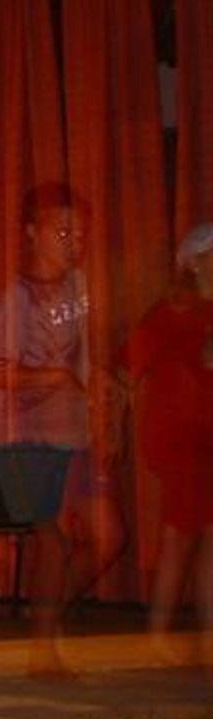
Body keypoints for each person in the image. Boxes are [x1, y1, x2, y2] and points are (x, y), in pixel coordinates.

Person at [0, 183, 126, 676]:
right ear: (32, 233)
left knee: (110, 537)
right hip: (28, 436)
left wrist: (102, 401)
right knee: (52, 540)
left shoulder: (78, 288)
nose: (74, 242)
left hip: (75, 433)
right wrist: (54, 377)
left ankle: (43, 621)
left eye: (80, 233)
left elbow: (85, 356)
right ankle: (43, 649)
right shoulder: (16, 299)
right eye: (63, 232)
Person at [121, 222, 213, 665]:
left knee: (208, 537)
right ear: (194, 263)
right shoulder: (172, 311)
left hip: (206, 434)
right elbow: (128, 363)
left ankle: (206, 635)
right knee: (180, 534)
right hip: (181, 437)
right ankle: (157, 634)